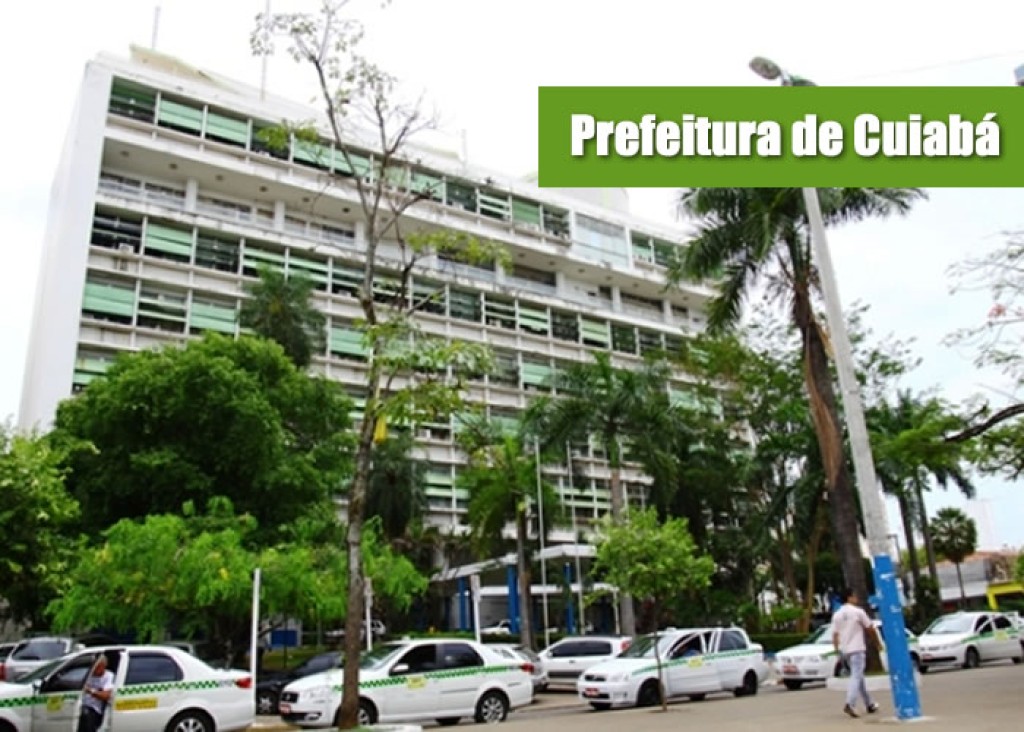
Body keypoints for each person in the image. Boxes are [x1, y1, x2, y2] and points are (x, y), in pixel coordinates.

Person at [832, 588, 880, 718]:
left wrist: (837, 649)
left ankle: (869, 703)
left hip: (845, 650)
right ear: (849, 598)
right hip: (857, 648)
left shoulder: (837, 615)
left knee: (858, 676)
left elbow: (835, 634)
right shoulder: (858, 612)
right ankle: (850, 703)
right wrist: (877, 643)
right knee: (856, 676)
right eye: (854, 596)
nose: (856, 598)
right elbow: (870, 628)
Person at [78, 655, 114, 732]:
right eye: (94, 666)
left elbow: (106, 695)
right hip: (80, 704)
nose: (95, 669)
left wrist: (90, 691)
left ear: (104, 665)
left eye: (98, 667)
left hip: (94, 708)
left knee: (85, 715)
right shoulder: (88, 674)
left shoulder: (108, 676)